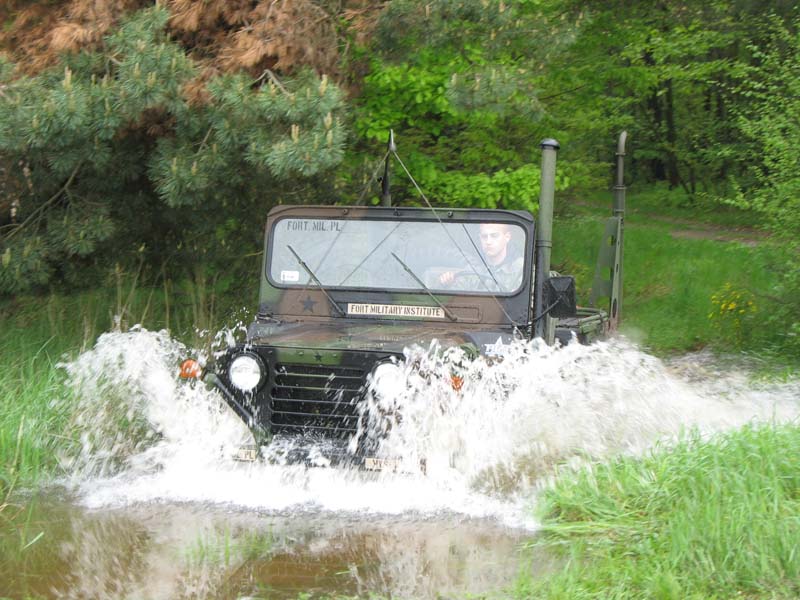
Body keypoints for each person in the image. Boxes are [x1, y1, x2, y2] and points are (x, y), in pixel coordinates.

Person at [438, 222, 524, 292]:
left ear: (507, 237)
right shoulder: (473, 268)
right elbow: (457, 301)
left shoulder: (521, 269)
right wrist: (447, 284)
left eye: (494, 236)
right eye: (484, 236)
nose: (488, 241)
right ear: (480, 238)